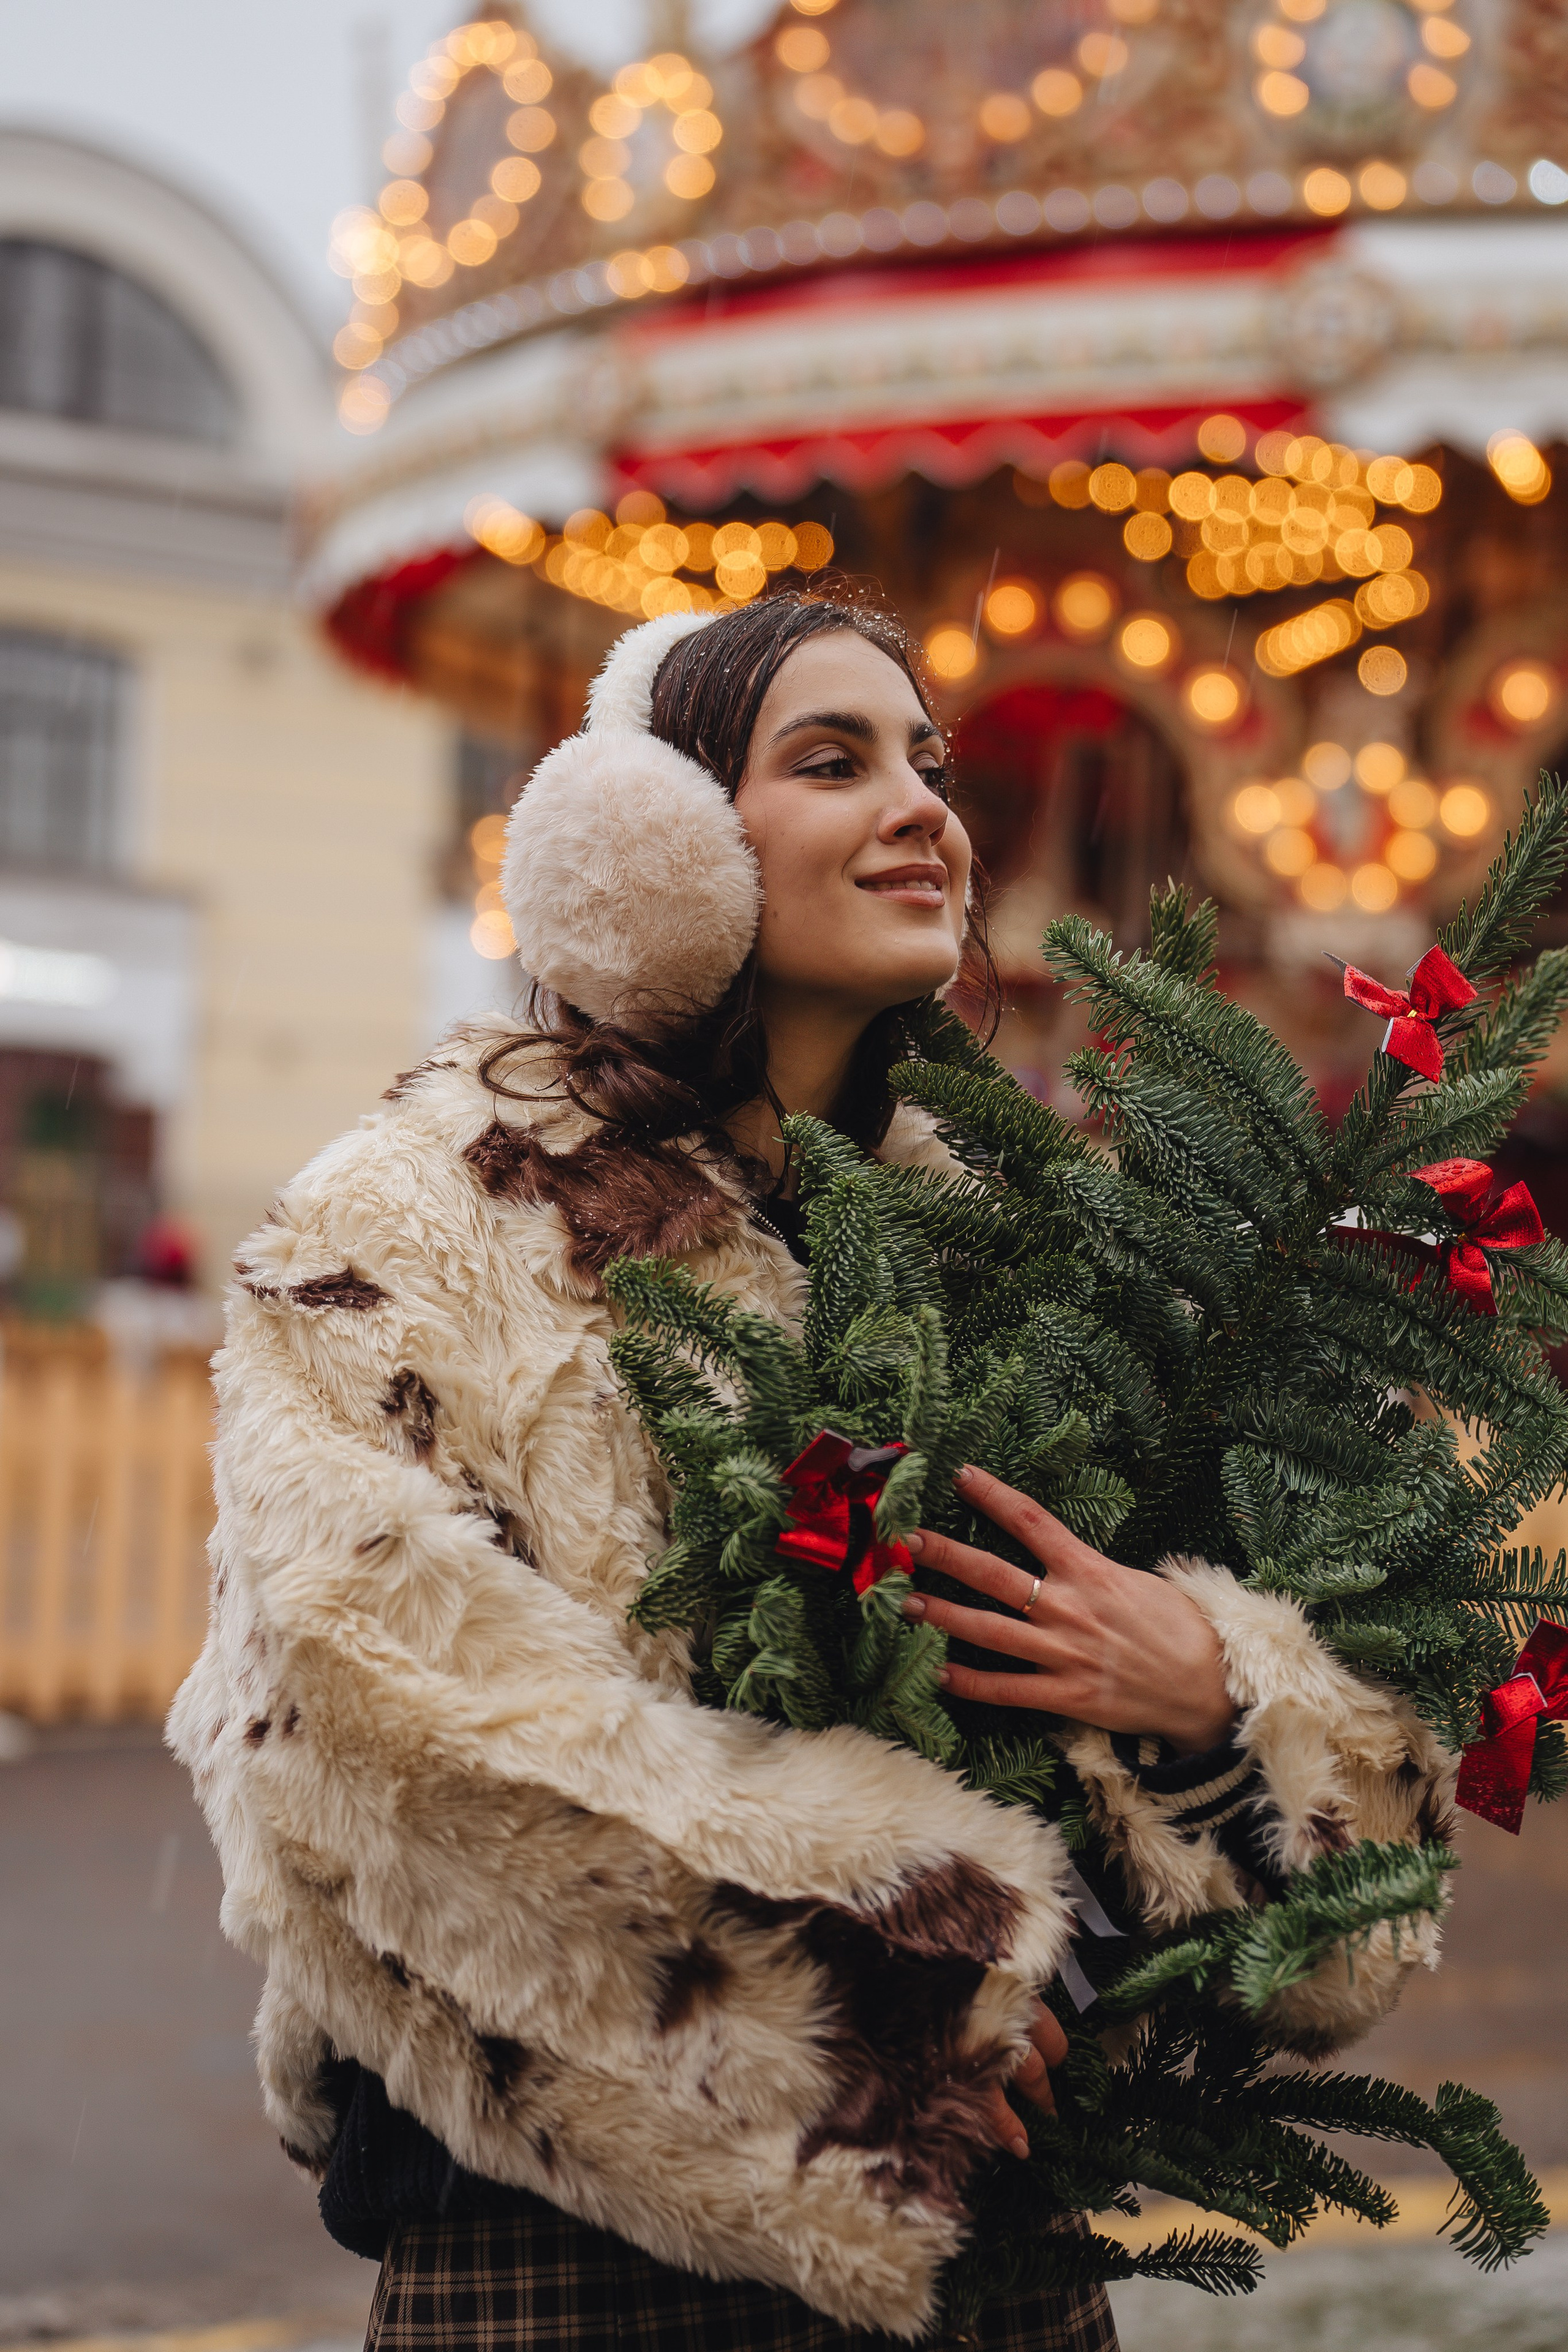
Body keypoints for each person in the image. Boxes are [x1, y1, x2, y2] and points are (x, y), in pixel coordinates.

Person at [170, 590, 1451, 2352]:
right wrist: (887, 1990)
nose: (925, 803)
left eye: (927, 760)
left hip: (984, 2250)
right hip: (581, 2247)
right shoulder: (413, 1223)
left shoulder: (1018, 1248)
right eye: (834, 760)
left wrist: (1208, 1700)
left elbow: (1335, 1878)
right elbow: (370, 1709)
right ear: (658, 846)